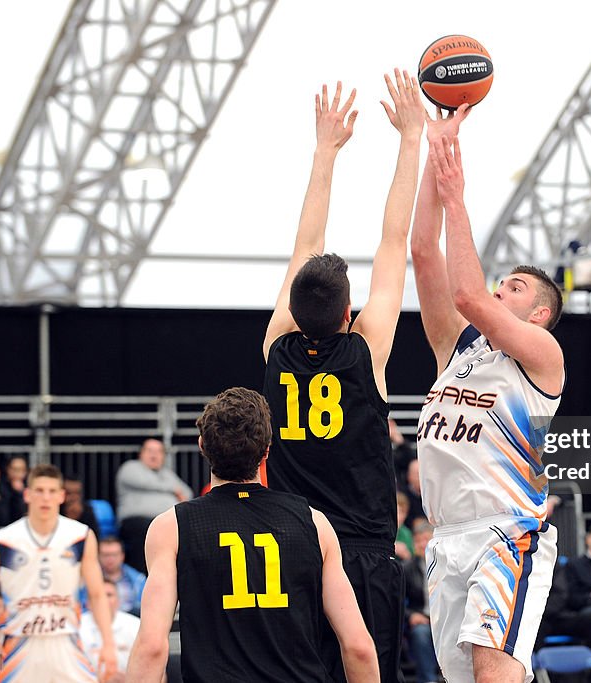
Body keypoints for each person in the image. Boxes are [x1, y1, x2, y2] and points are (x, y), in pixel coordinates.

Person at [260, 72, 425, 683]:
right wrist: (412, 139)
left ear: (294, 309)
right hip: (360, 548)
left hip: (296, 547)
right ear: (349, 314)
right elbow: (393, 239)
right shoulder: (367, 350)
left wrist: (324, 151)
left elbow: (306, 244)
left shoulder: (276, 345)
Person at [413, 113, 564, 682]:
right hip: (446, 537)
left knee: (492, 669)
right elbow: (424, 253)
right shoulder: (458, 348)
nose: (502, 290)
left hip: (507, 532)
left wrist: (458, 197)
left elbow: (468, 292)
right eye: (503, 283)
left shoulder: (542, 356)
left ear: (540, 314)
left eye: (516, 288)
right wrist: (437, 154)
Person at [126, 387, 378, 682]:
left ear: (202, 445)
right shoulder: (314, 523)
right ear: (267, 449)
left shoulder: (171, 527)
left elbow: (153, 647)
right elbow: (358, 646)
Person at [0, 464, 117, 683]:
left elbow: (97, 594)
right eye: (39, 490)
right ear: (27, 494)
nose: (45, 497)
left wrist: (108, 644)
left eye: (52, 491)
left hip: (66, 640)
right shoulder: (3, 539)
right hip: (18, 643)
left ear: (62, 496)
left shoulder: (80, 536)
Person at [116, 438, 193, 573]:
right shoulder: (131, 467)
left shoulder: (166, 473)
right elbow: (144, 482)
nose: (154, 455)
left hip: (166, 524)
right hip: (137, 523)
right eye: (150, 450)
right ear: (141, 453)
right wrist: (173, 490)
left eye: (159, 451)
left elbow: (187, 492)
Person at [80, 578, 140, 680]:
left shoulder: (136, 625)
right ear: (88, 603)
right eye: (99, 596)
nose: (104, 601)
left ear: (118, 601)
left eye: (109, 595)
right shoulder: (76, 628)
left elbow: (158, 673)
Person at [404, 520, 439, 683]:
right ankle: (428, 680)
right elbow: (398, 602)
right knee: (420, 633)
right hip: (422, 619)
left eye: (426, 539)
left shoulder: (447, 565)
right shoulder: (407, 568)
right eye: (418, 541)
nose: (422, 544)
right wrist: (411, 615)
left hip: (445, 618)